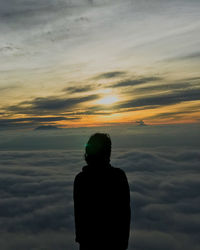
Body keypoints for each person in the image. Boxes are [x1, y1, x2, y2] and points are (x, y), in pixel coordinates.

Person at [73, 133, 131, 250]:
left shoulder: (81, 180)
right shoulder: (118, 177)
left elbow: (80, 218)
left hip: (89, 244)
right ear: (108, 153)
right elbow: (125, 216)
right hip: (115, 244)